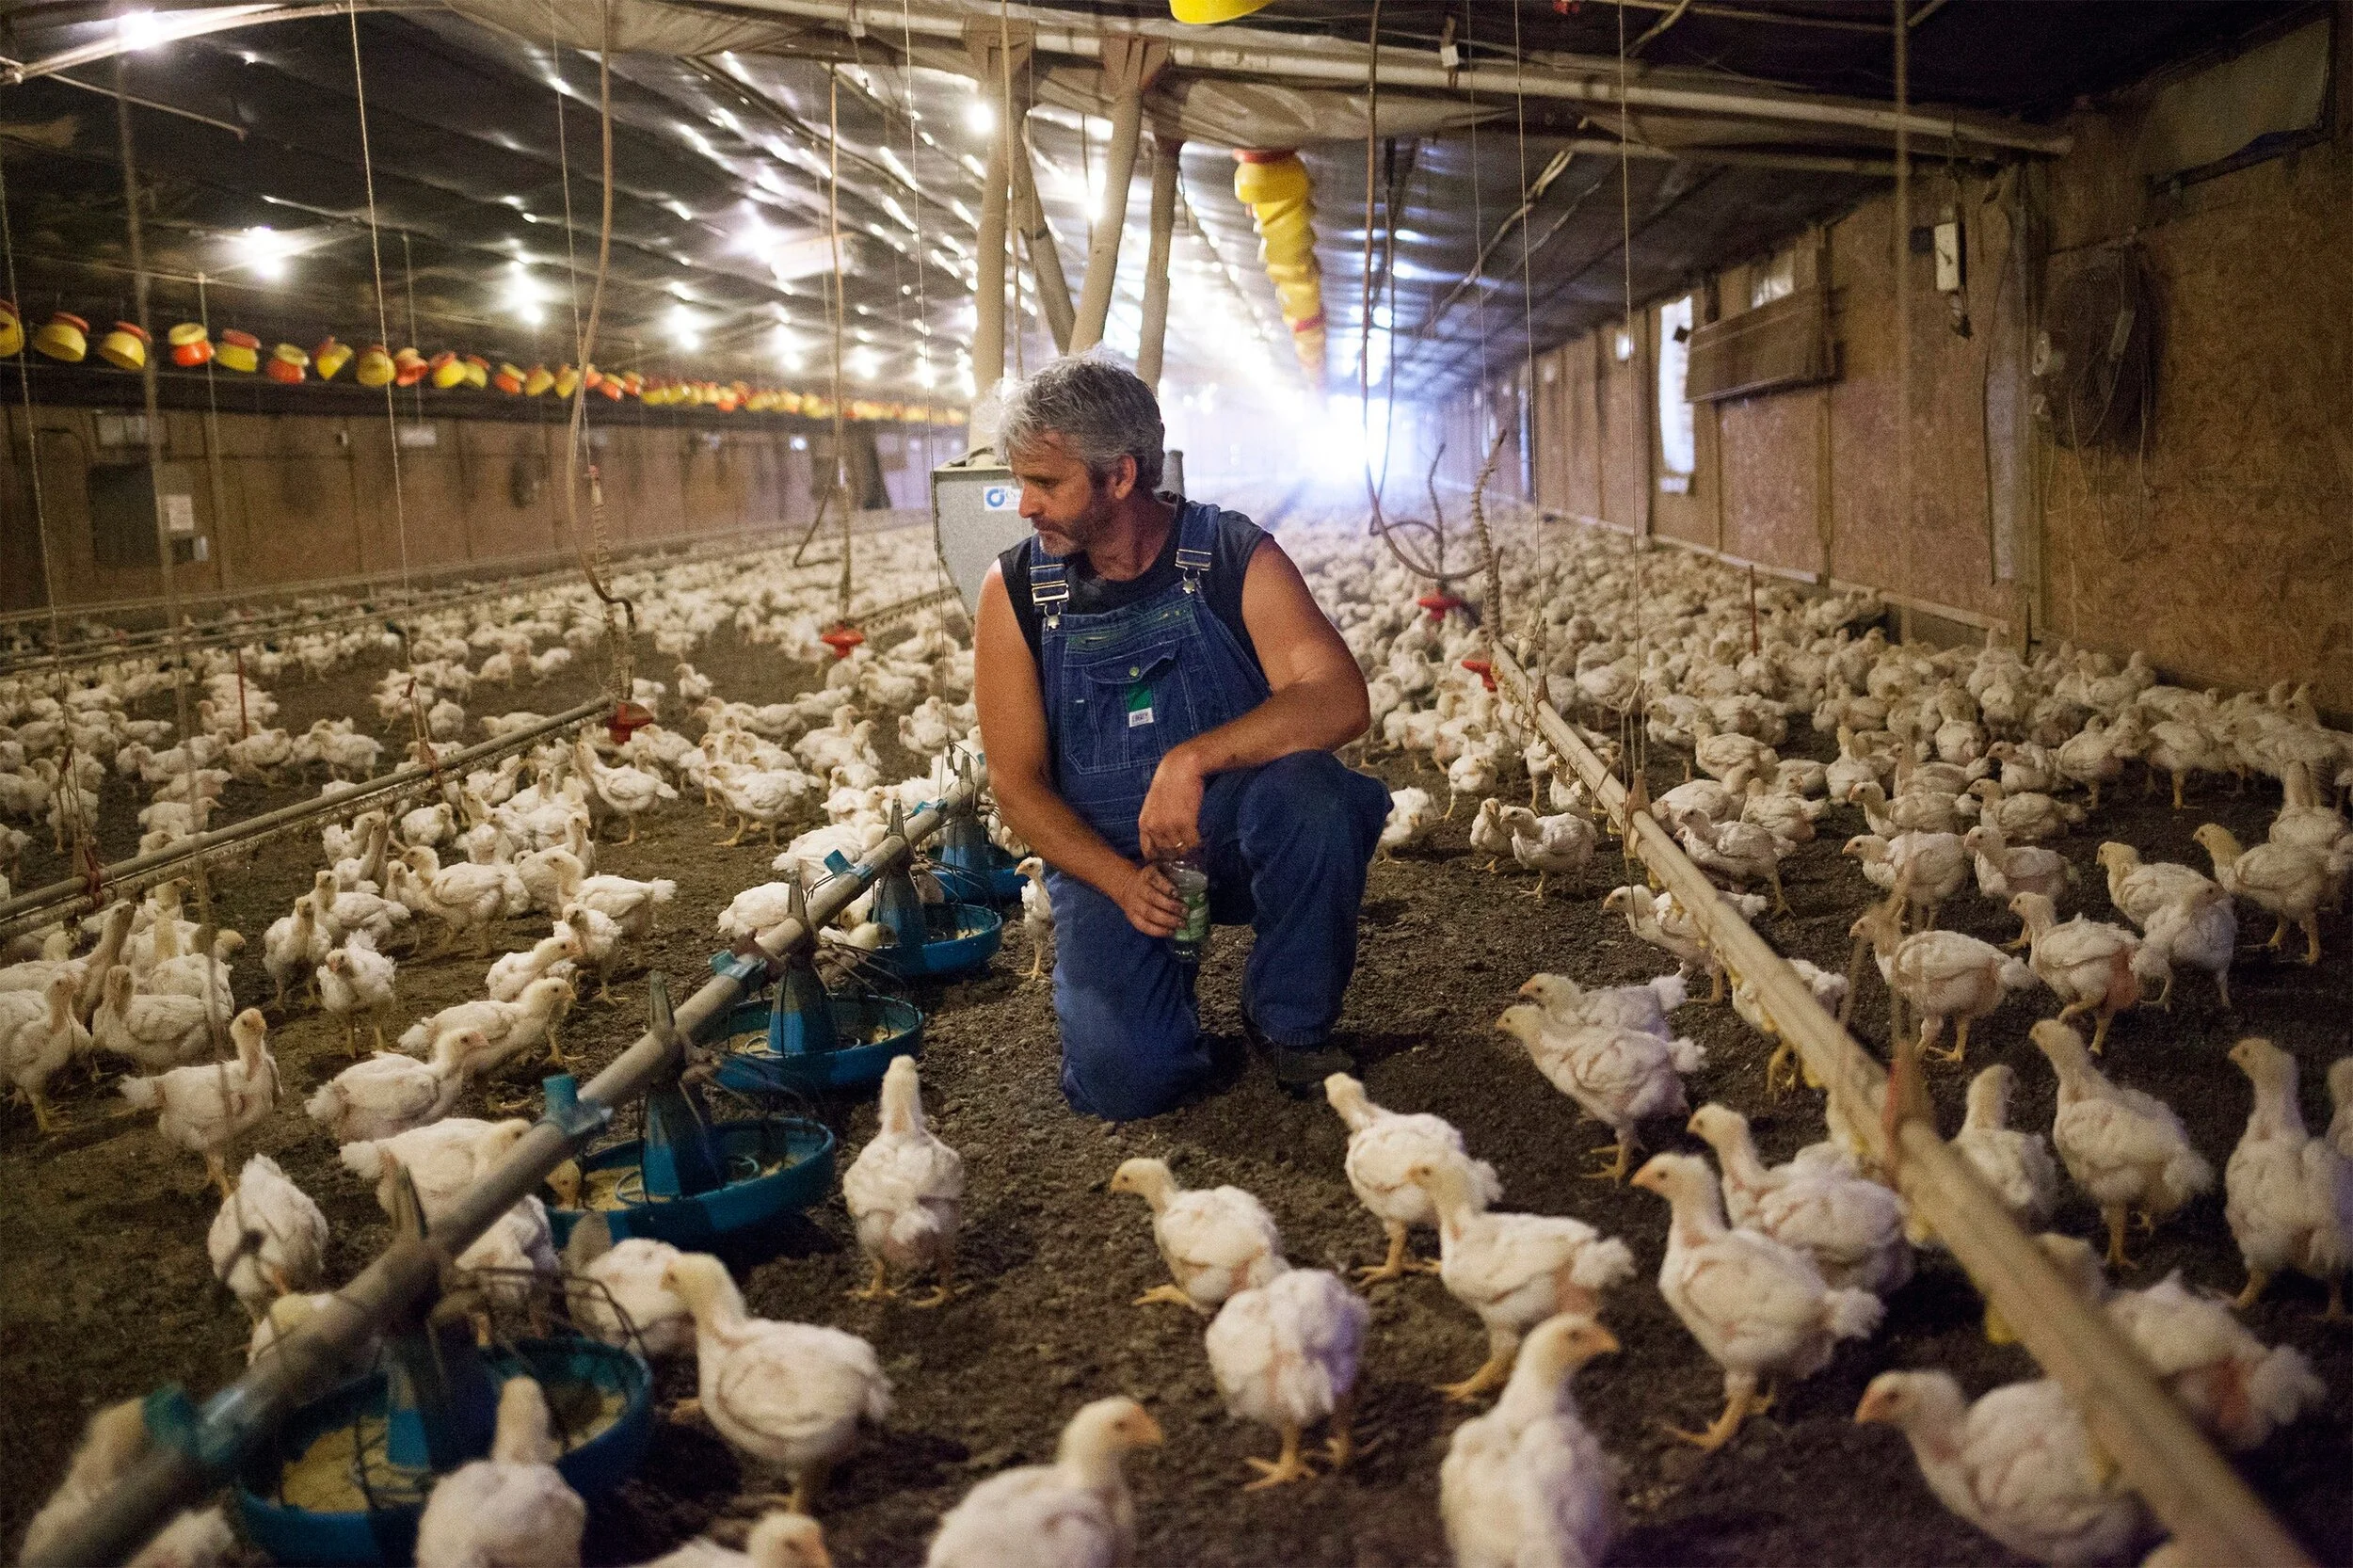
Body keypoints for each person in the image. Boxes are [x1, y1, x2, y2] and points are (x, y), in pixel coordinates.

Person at [972, 357, 1393, 1120]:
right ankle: (1160, 1026)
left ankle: (1288, 1022)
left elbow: (1338, 698)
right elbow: (1016, 784)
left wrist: (1192, 758)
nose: (1025, 505)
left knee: (1318, 798)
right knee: (1125, 1082)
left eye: (1046, 483)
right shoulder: (1016, 594)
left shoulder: (1228, 557)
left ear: (1122, 476)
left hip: (1227, 833)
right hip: (1111, 857)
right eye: (1019, 481)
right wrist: (1118, 880)